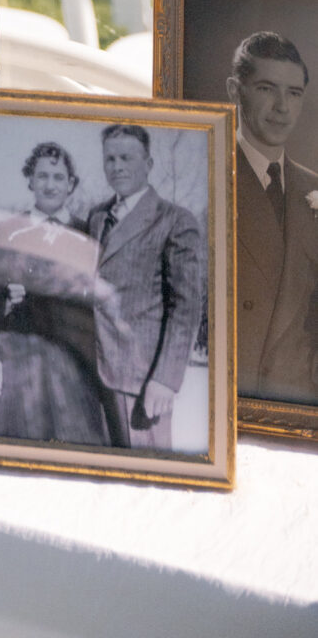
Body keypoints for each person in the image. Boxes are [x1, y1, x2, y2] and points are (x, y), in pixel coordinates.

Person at [86, 124, 205, 450]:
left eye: (126, 157)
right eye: (110, 159)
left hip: (141, 379)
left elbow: (187, 307)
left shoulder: (175, 220)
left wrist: (165, 379)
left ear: (148, 164)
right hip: (95, 371)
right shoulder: (97, 217)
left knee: (145, 476)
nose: (118, 166)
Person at [0, 141, 108, 444]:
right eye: (42, 176)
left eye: (58, 177)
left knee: (77, 448)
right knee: (18, 448)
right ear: (30, 180)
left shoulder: (88, 234)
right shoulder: (8, 231)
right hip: (20, 360)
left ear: (71, 184)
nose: (49, 185)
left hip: (74, 361)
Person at [229, 30, 318, 403]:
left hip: (297, 402)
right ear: (236, 91)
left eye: (294, 94)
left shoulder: (312, 187)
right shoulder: (206, 171)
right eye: (267, 89)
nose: (283, 107)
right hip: (230, 397)